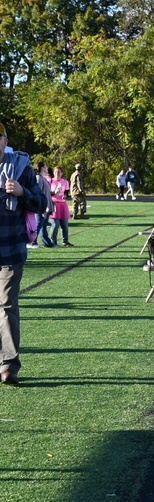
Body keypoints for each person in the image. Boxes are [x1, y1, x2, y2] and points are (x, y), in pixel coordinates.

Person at [1, 121, 45, 385]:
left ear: (5, 141)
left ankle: (8, 365)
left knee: (5, 306)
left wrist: (21, 192)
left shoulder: (21, 168)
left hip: (10, 250)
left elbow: (41, 203)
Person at [31, 162, 54, 249]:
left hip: (46, 206)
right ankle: (32, 242)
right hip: (41, 206)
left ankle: (47, 242)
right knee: (38, 224)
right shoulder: (38, 178)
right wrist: (41, 205)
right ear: (42, 168)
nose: (47, 168)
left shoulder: (43, 178)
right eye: (46, 166)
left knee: (43, 225)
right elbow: (38, 192)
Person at [48, 166, 73, 246]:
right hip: (53, 204)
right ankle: (53, 242)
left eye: (59, 172)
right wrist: (54, 192)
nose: (57, 174)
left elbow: (66, 192)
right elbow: (47, 193)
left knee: (65, 225)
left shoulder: (65, 181)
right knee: (55, 224)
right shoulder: (50, 181)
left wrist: (65, 196)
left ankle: (65, 241)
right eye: (55, 172)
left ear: (62, 173)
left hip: (63, 205)